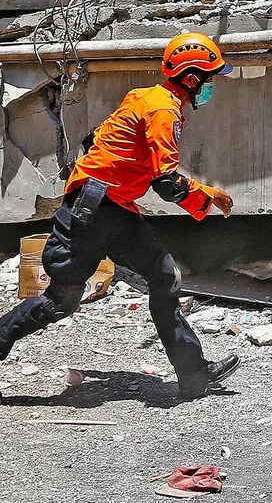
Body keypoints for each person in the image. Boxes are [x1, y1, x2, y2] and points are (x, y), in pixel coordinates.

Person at [0, 32, 240, 400]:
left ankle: (194, 377)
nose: (211, 87)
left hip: (111, 207)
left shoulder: (145, 97)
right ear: (192, 78)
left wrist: (120, 188)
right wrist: (209, 198)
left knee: (164, 277)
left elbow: (97, 142)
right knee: (60, 301)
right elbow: (167, 182)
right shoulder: (163, 111)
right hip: (94, 213)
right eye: (209, 79)